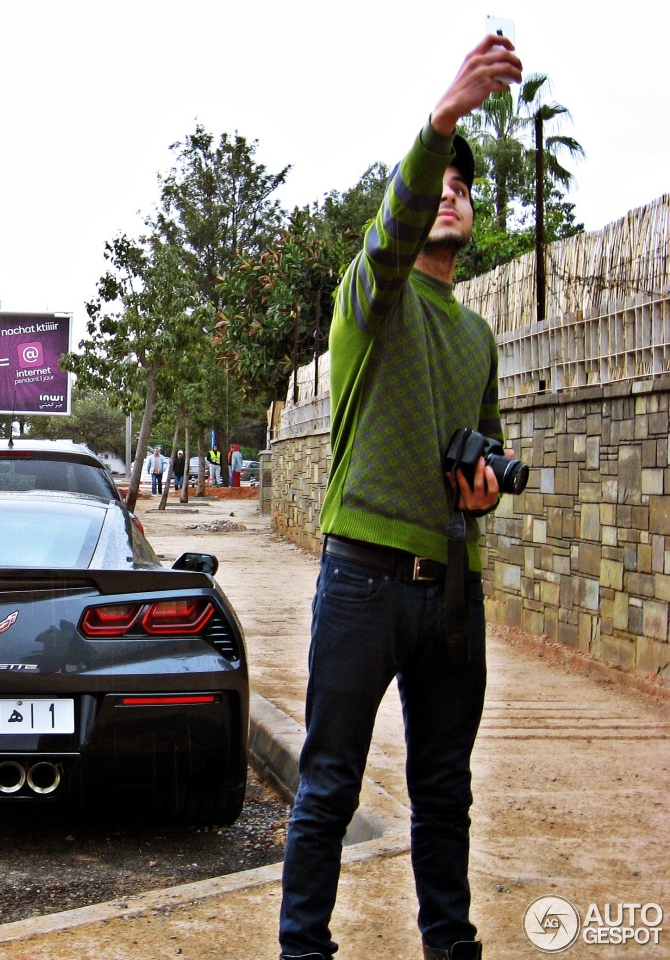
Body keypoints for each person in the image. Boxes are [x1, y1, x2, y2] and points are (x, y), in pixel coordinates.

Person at [277, 34, 522, 960]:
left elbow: (490, 448)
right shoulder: (369, 295)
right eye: (441, 184)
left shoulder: (478, 337)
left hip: (452, 587)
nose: (453, 192)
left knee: (446, 789)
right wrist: (442, 121)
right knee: (330, 782)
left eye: (466, 185)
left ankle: (449, 947)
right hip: (363, 584)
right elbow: (389, 231)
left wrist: (486, 488)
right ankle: (306, 951)